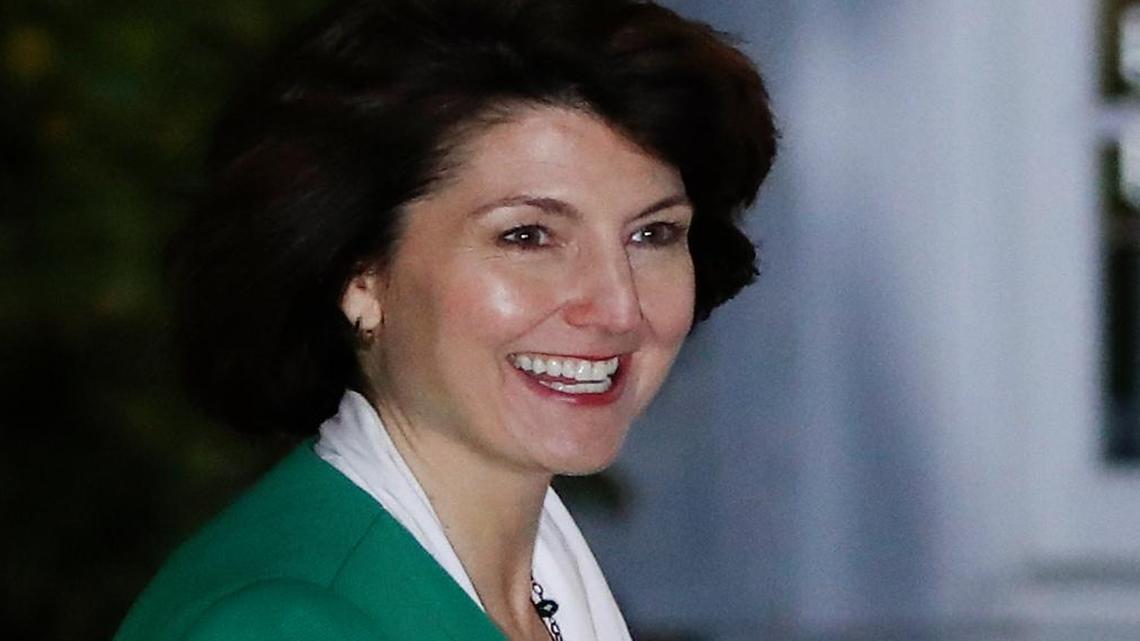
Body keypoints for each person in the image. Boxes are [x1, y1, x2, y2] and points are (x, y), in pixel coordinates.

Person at [114, 0, 777, 639]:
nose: (618, 307)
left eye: (653, 234)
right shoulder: (283, 623)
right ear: (359, 275)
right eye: (527, 236)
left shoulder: (532, 584)